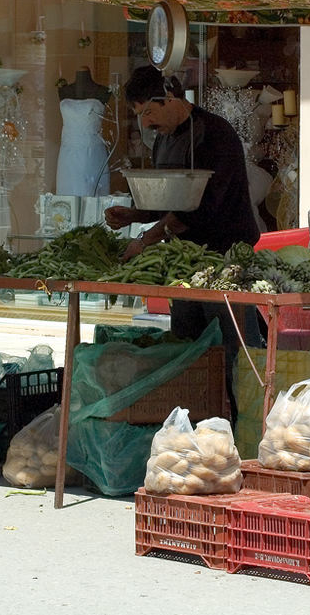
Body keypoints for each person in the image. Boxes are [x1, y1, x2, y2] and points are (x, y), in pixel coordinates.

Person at [104, 65, 262, 425]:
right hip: (187, 263)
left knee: (235, 351)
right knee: (188, 347)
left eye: (148, 111)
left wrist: (146, 240)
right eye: (139, 115)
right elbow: (169, 201)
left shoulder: (215, 136)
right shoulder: (165, 139)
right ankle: (195, 427)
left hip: (225, 259)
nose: (145, 124)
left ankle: (249, 426)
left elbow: (200, 209)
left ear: (169, 98)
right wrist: (133, 215)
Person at [56, 67, 112, 197]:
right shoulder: (64, 91)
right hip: (67, 154)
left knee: (92, 196)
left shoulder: (102, 91)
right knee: (68, 198)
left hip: (93, 153)